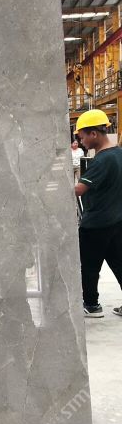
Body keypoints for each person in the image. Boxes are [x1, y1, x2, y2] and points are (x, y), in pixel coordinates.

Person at [74, 109, 122, 318]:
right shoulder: (119, 154)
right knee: (119, 264)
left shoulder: (102, 160)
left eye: (82, 136)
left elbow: (78, 190)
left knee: (89, 267)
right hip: (117, 220)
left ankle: (92, 305)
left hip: (96, 224)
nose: (81, 141)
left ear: (94, 134)